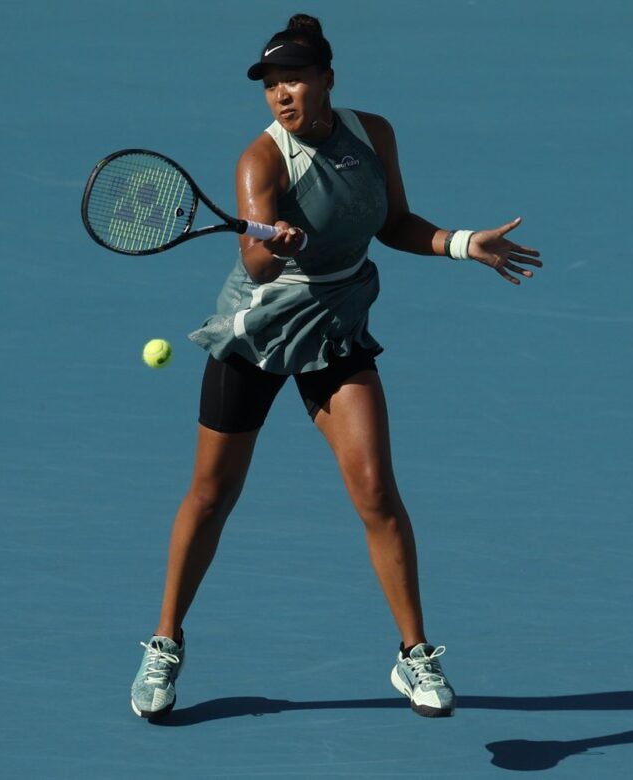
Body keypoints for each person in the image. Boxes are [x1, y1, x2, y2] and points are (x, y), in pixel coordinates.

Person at [129, 13, 541, 721]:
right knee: (210, 495)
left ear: (326, 79)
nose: (281, 94)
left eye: (293, 78)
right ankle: (165, 642)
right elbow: (253, 260)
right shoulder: (261, 160)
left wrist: (462, 242)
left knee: (377, 489)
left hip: (338, 325)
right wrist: (279, 241)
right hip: (258, 331)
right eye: (269, 84)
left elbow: (393, 223)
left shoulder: (372, 134)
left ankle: (414, 656)